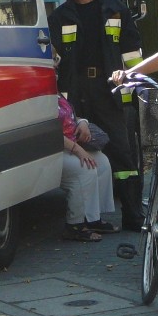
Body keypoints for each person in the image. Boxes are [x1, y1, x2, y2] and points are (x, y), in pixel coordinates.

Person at [48, 0, 144, 231]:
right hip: (77, 93)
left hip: (108, 90)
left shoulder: (115, 9)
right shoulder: (61, 16)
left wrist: (134, 82)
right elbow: (53, 55)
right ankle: (92, 219)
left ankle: (133, 215)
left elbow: (132, 52)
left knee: (122, 154)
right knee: (85, 152)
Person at [58, 93, 117, 241]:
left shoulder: (57, 94)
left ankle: (93, 219)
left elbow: (71, 118)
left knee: (102, 163)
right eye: (54, 68)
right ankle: (74, 226)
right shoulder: (41, 98)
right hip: (53, 150)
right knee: (84, 168)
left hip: (71, 146)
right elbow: (48, 131)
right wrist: (78, 150)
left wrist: (83, 122)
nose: (57, 69)